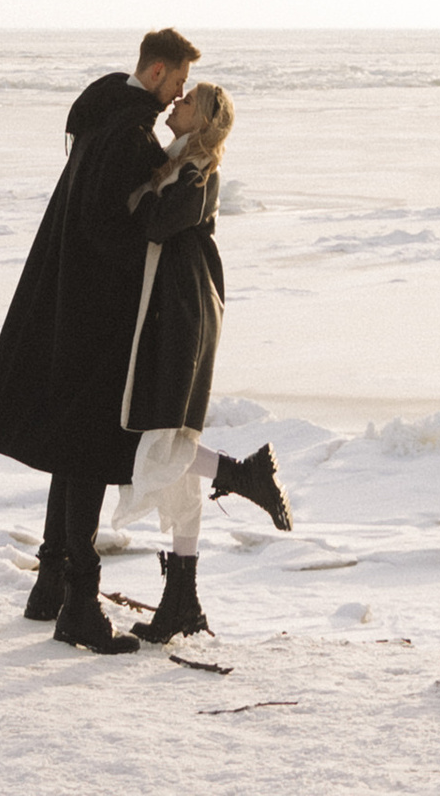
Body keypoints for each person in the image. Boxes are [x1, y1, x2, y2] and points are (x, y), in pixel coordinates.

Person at [0, 25, 198, 654]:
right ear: (157, 72)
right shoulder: (127, 135)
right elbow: (110, 234)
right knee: (87, 455)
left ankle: (50, 585)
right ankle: (79, 607)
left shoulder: (101, 119)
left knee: (70, 450)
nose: (178, 94)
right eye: (178, 82)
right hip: (95, 316)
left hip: (63, 303)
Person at [109, 78, 291, 645]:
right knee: (170, 451)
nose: (176, 104)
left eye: (187, 103)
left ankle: (244, 473)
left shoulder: (196, 171)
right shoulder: (178, 162)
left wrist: (139, 195)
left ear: (204, 119)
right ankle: (182, 602)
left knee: (163, 443)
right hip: (173, 312)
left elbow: (159, 224)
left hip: (182, 317)